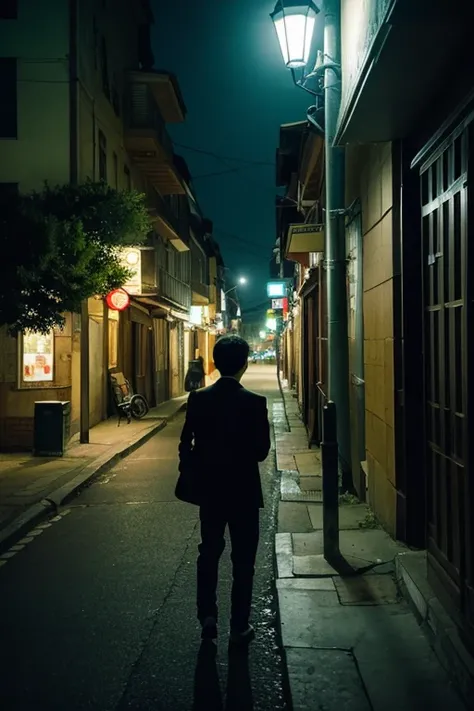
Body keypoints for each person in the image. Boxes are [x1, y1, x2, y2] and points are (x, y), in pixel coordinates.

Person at [178, 335, 271, 645]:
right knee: (243, 560)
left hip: (211, 490)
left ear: (215, 364)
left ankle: (207, 615)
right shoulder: (255, 403)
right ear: (245, 364)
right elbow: (261, 452)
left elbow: (185, 442)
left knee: (209, 552)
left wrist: (191, 467)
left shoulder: (199, 399)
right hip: (244, 492)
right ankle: (239, 624)